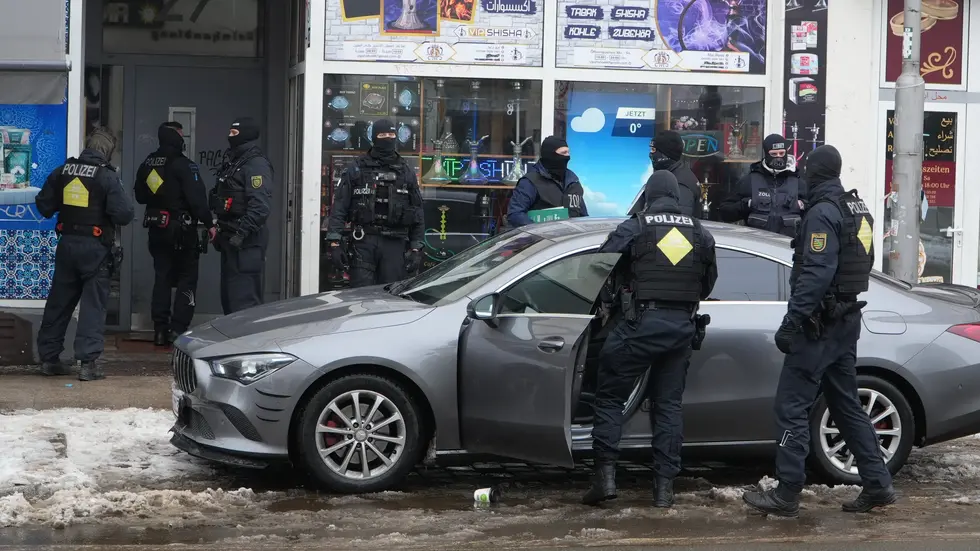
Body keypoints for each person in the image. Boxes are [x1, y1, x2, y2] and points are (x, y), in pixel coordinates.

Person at [742, 145, 896, 517]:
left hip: (819, 325)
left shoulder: (822, 212)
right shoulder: (857, 209)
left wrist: (792, 322)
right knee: (846, 405)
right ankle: (877, 484)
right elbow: (864, 261)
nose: (804, 175)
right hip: (844, 320)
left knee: (790, 406)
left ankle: (787, 492)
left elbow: (815, 273)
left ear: (816, 172)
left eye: (808, 169)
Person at [583, 170, 717, 508]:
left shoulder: (637, 226)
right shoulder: (700, 232)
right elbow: (708, 283)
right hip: (681, 329)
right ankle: (663, 491)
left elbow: (597, 266)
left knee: (610, 398)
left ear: (648, 195)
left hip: (638, 326)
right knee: (668, 406)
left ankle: (605, 480)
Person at [35, 127, 135, 381]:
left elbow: (44, 206)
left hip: (67, 245)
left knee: (59, 303)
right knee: (93, 305)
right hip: (95, 249)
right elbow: (124, 214)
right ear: (107, 151)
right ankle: (88, 365)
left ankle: (49, 359)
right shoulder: (106, 176)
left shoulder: (63, 171)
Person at [134, 121, 215, 346]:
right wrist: (210, 224)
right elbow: (198, 201)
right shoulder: (184, 165)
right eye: (180, 133)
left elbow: (140, 196)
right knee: (187, 279)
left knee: (162, 278)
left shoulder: (148, 163)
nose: (183, 137)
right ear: (174, 136)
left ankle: (160, 330)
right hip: (181, 230)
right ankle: (178, 330)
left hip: (157, 229)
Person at [325, 119, 424, 287]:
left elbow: (417, 211)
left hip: (395, 243)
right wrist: (334, 242)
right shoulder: (357, 168)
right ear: (374, 137)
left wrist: (416, 248)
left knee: (391, 295)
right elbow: (340, 206)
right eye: (382, 134)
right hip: (364, 241)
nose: (388, 138)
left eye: (391, 134)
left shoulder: (405, 171)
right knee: (361, 295)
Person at [209, 117, 274, 314]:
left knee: (244, 304)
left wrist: (241, 233)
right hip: (230, 240)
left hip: (246, 243)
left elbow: (260, 207)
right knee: (230, 301)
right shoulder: (234, 162)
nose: (230, 136)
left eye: (234, 133)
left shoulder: (256, 164)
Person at [717, 134, 805, 237]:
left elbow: (813, 214)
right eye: (774, 154)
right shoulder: (750, 180)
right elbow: (725, 212)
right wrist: (746, 204)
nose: (778, 157)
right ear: (766, 154)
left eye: (781, 153)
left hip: (788, 244)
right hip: (757, 244)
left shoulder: (798, 181)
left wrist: (803, 205)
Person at [506, 136, 588, 227]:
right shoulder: (531, 182)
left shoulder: (573, 181)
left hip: (571, 235)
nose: (567, 156)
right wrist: (537, 230)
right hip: (540, 235)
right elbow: (515, 214)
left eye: (568, 152)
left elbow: (583, 215)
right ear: (550, 155)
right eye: (563, 153)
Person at [628, 130, 700, 217]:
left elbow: (676, 220)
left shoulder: (680, 184)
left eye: (653, 150)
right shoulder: (668, 177)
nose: (650, 154)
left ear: (665, 154)